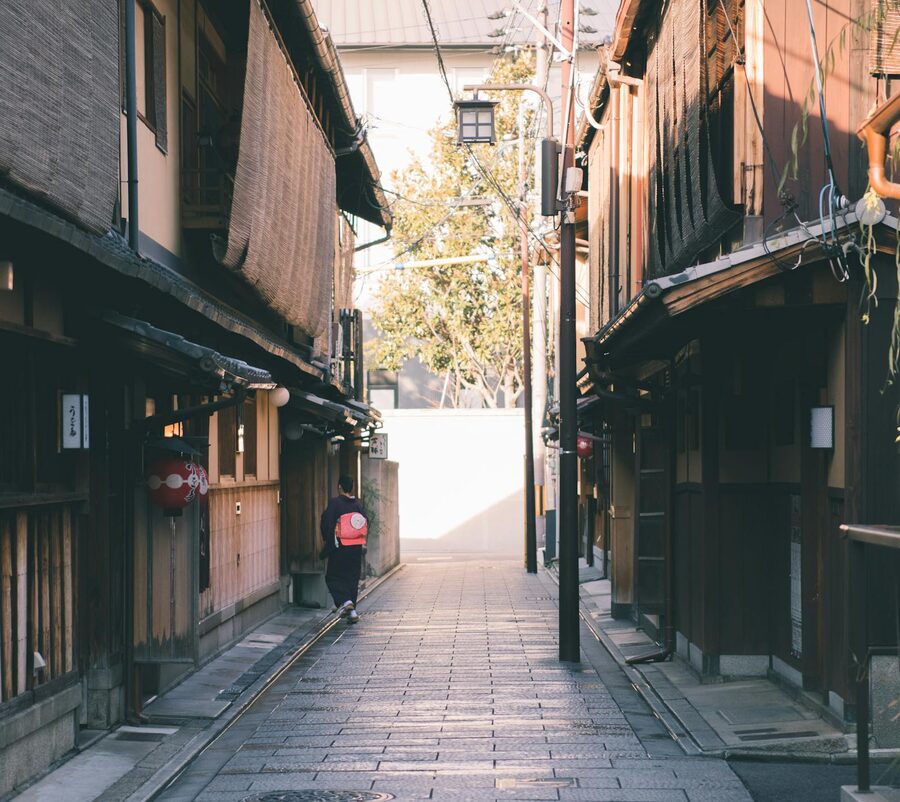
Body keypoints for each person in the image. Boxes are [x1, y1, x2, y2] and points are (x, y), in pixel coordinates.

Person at [320, 474, 366, 624]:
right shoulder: (358, 505)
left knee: (333, 577)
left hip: (341, 547)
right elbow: (364, 524)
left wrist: (328, 541)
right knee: (351, 578)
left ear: (339, 486)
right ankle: (352, 612)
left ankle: (346, 602)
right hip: (356, 547)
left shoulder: (335, 504)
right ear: (352, 488)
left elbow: (326, 522)